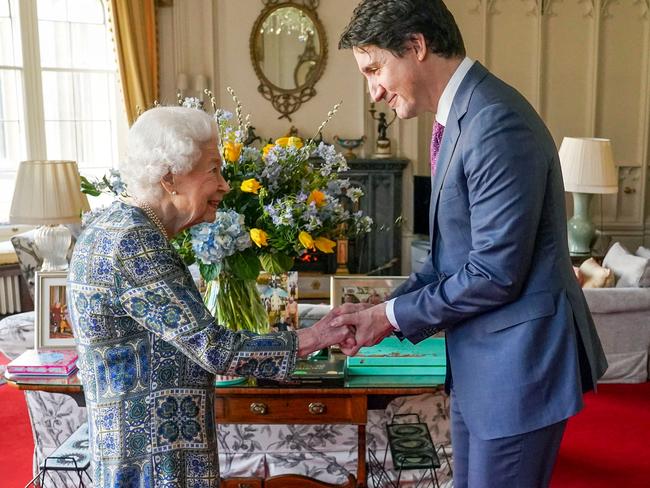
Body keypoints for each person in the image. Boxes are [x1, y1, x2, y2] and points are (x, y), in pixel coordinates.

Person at [333, 1, 608, 486]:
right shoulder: (461, 115)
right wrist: (381, 307)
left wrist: (386, 319)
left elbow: (494, 274)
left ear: (416, 46)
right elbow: (450, 259)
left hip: (518, 368)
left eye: (374, 68)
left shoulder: (496, 121)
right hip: (485, 367)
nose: (373, 90)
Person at [66, 106, 354, 487]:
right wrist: (315, 337)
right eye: (213, 169)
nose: (225, 185)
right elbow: (215, 348)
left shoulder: (113, 227)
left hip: (136, 453)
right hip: (157, 462)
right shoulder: (134, 243)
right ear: (170, 177)